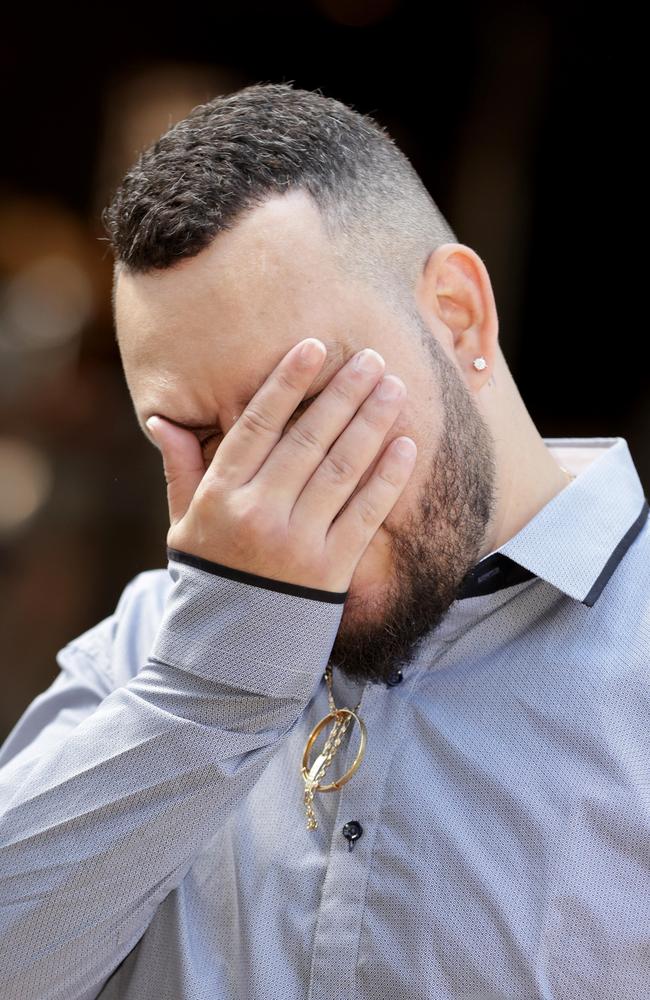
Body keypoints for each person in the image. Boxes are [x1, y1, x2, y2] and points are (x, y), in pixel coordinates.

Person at [1, 82, 648, 1000]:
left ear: (457, 313)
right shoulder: (151, 649)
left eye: (303, 408)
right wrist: (209, 695)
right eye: (202, 438)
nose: (264, 496)